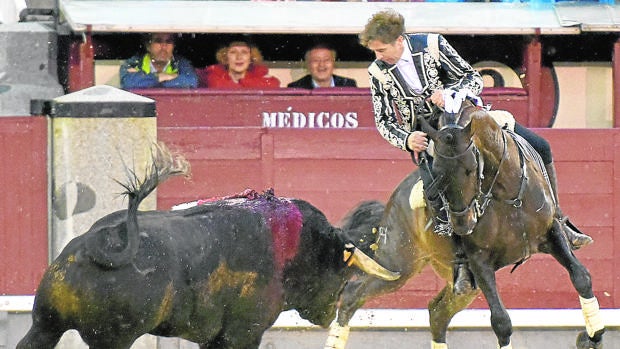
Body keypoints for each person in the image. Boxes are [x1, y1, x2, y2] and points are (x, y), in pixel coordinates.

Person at [359, 9, 592, 294]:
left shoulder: (432, 45)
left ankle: (559, 221)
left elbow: (472, 79)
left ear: (398, 40)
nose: (378, 57)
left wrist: (450, 95)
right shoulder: (378, 72)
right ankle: (461, 264)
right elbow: (384, 121)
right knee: (438, 193)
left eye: (381, 50)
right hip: (431, 139)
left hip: (468, 122)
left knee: (541, 147)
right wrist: (406, 139)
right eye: (374, 52)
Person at [119, 33, 198, 90]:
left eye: (168, 41)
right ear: (148, 46)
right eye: (158, 41)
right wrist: (159, 77)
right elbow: (128, 83)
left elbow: (191, 82)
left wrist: (147, 81)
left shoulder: (181, 63)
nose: (164, 46)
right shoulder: (133, 63)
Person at [198, 40, 280, 88]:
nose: (239, 57)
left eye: (244, 52)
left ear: (251, 58)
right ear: (225, 57)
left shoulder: (260, 75)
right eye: (233, 52)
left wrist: (243, 82)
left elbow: (274, 83)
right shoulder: (214, 75)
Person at [287, 43, 357, 89]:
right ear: (308, 64)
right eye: (316, 60)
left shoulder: (348, 85)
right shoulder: (295, 88)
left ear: (334, 63)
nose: (321, 65)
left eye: (326, 60)